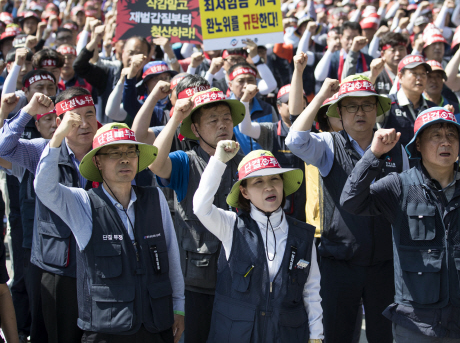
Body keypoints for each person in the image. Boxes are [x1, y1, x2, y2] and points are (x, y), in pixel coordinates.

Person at [339, 107, 460, 342]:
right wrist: (373, 155)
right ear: (418, 145)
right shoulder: (398, 186)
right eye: (436, 135)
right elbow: (351, 201)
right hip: (415, 323)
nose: (445, 142)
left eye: (452, 136)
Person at [33, 121, 185, 342]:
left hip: (156, 324)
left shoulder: (155, 197)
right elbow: (44, 188)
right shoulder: (83, 203)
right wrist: (58, 137)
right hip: (107, 330)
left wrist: (178, 307)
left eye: (130, 152)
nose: (124, 159)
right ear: (98, 162)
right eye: (114, 153)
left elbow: (171, 256)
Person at [286, 74, 408, 343]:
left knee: (384, 336)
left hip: (385, 263)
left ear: (377, 108)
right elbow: (293, 140)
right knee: (338, 335)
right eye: (351, 106)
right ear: (339, 112)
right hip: (339, 261)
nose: (360, 112)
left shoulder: (396, 149)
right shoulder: (329, 145)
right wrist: (320, 96)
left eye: (366, 105)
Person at [192, 143, 323, 342]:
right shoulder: (231, 225)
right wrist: (218, 161)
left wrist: (316, 336)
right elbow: (201, 207)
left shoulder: (303, 235)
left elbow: (311, 291)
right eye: (258, 182)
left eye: (274, 179)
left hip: (287, 334)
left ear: (283, 184)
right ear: (244, 192)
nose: (269, 187)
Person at [0, 87, 100, 343]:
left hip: (100, 261)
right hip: (54, 265)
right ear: (59, 122)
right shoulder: (42, 150)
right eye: (74, 117)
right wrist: (28, 111)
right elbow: (2, 147)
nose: (84, 123)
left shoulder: (107, 149)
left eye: (89, 114)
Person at [148, 88, 245, 343]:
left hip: (239, 280)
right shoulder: (185, 161)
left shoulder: (243, 162)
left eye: (226, 118)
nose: (222, 124)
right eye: (213, 120)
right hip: (195, 282)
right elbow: (155, 163)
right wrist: (174, 118)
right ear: (196, 129)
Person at [238, 54, 309, 221]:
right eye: (289, 101)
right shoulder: (270, 131)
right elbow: (245, 128)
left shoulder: (314, 132)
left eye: (301, 100)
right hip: (281, 210)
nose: (297, 104)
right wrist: (245, 101)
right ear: (278, 107)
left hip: (310, 206)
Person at [379, 54, 433, 147]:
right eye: (414, 73)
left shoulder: (432, 109)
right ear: (400, 77)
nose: (419, 78)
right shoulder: (386, 103)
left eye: (423, 74)